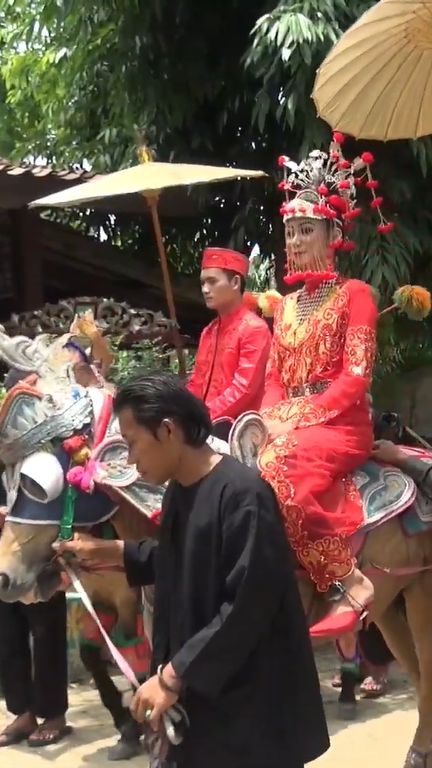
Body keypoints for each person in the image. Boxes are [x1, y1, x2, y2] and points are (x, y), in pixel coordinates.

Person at [55, 372, 330, 768]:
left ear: (167, 430)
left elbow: (246, 606)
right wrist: (105, 552)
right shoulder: (181, 493)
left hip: (251, 712)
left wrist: (173, 676)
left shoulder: (243, 495)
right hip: (206, 700)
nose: (130, 459)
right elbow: (180, 559)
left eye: (133, 444)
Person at [257, 136, 393, 639]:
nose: (294, 241)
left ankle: (346, 581)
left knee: (278, 464)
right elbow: (274, 379)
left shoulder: (356, 295)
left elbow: (356, 378)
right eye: (290, 231)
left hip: (340, 427)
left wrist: (289, 419)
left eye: (306, 230)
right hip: (288, 422)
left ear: (333, 232)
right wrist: (268, 416)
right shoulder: (285, 306)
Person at [0, 372, 71, 748]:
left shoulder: (47, 447)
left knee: (45, 630)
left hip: (36, 545)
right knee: (7, 633)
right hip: (3, 547)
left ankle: (53, 712)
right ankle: (22, 712)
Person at [187, 247, 271, 439]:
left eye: (212, 282)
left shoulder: (254, 329)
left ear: (235, 282)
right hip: (203, 423)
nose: (205, 289)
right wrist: (183, 409)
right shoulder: (209, 331)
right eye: (203, 283)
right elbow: (196, 382)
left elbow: (243, 390)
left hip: (234, 429)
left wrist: (201, 417)